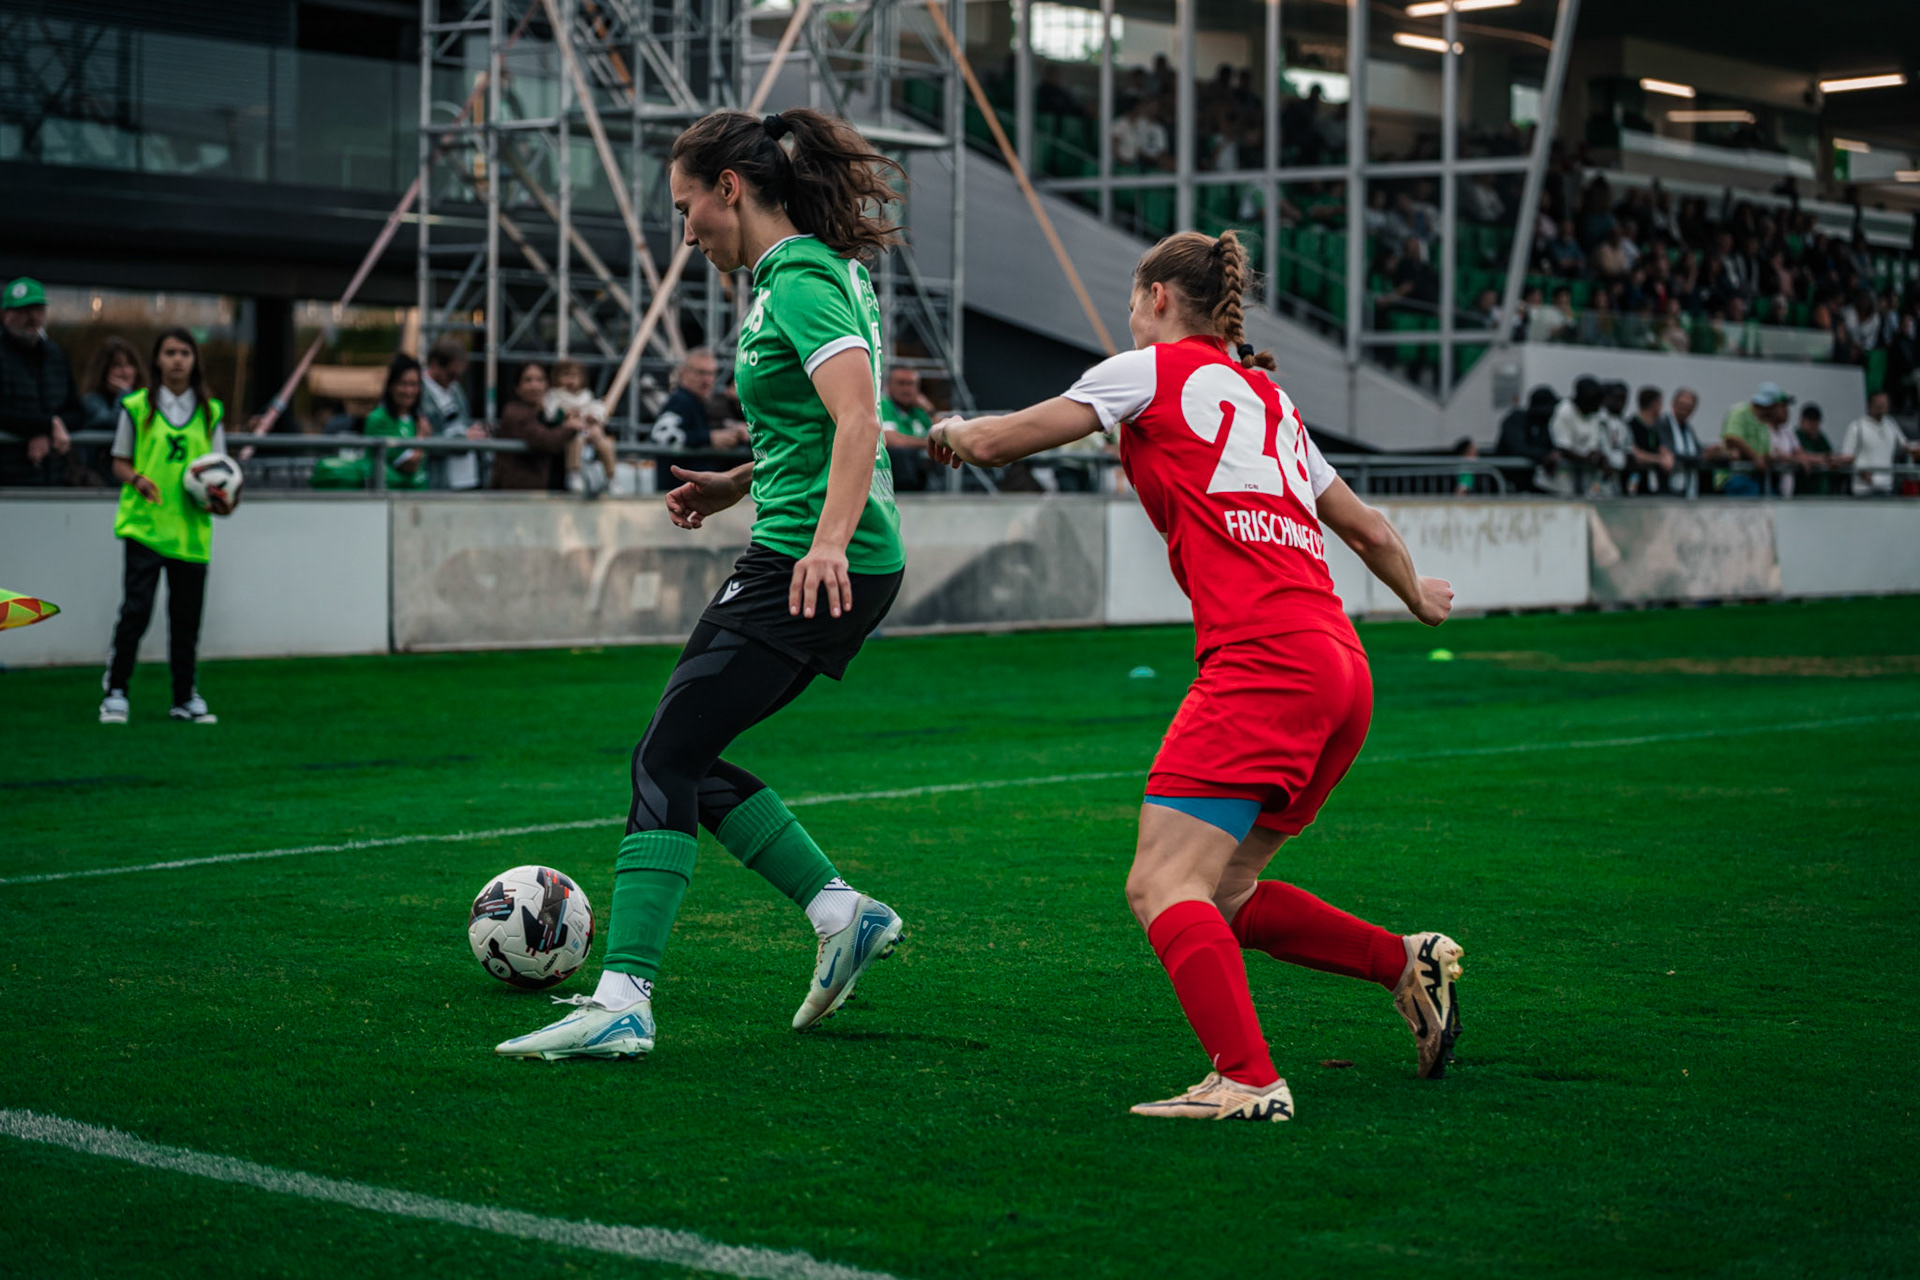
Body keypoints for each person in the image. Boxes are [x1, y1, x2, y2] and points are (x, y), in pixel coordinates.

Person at [925, 229, 1462, 1122]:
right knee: (1225, 892)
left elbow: (1003, 441)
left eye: (1134, 301)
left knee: (1160, 886)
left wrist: (952, 431)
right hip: (1339, 668)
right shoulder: (1271, 400)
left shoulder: (1147, 369)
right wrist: (1420, 599)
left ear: (1159, 298)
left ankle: (1248, 1080)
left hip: (1265, 663)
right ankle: (1404, 962)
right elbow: (1366, 529)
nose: (1130, 318)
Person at [498, 107, 910, 1062]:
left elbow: (857, 422)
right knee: (690, 757)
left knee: (661, 759)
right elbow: (813, 429)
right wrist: (737, 480)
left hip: (811, 560)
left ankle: (624, 1001)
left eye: (688, 207)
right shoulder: (809, 273)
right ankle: (840, 910)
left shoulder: (801, 280)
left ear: (732, 187)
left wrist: (826, 543)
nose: (686, 231)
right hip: (814, 546)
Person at [99, 328, 236, 726]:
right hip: (145, 526)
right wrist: (138, 480)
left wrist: (224, 501)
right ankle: (116, 691)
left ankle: (184, 697)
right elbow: (119, 461)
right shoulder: (138, 406)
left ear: (195, 360)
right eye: (170, 352)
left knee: (186, 619)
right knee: (136, 612)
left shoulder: (211, 411)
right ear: (157, 360)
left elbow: (222, 472)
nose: (177, 360)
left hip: (191, 532)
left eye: (185, 353)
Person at [0, 276, 80, 486]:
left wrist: (49, 428)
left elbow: (77, 412)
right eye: (23, 312)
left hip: (54, 477)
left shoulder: (56, 356)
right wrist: (45, 426)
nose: (32, 317)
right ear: (5, 315)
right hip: (7, 479)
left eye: (37, 310)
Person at [650, 348, 750, 475]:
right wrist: (708, 438)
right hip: (677, 487)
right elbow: (661, 436)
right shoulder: (681, 400)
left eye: (712, 373)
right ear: (683, 373)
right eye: (701, 373)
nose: (707, 380)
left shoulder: (699, 402)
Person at [490, 364, 577, 490]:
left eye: (540, 380)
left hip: (545, 493)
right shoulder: (515, 413)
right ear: (517, 387)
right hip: (517, 495)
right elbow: (543, 439)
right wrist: (571, 428)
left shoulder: (548, 413)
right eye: (528, 380)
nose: (534, 386)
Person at [76, 335, 146, 489]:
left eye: (130, 365)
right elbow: (113, 423)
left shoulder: (146, 400)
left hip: (138, 482)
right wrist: (124, 395)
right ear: (103, 370)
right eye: (117, 366)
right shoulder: (91, 401)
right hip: (102, 486)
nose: (125, 372)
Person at [420, 338, 488, 490]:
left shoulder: (455, 389)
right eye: (451, 374)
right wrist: (462, 440)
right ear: (435, 364)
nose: (454, 380)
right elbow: (424, 441)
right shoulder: (419, 392)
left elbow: (463, 422)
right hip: (438, 479)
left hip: (467, 478)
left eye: (459, 376)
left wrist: (476, 431)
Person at [546, 359, 616, 495]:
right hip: (571, 433)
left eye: (575, 375)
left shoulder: (586, 396)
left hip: (588, 431)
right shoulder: (554, 396)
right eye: (565, 375)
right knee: (576, 441)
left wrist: (593, 417)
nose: (571, 380)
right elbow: (551, 414)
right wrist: (565, 416)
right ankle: (573, 473)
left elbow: (597, 410)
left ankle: (611, 477)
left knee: (606, 444)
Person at [1837, 391, 1920, 496]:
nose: (1881, 409)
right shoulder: (1857, 427)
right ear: (1869, 406)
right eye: (1878, 406)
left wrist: (1916, 448)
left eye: (1884, 406)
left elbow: (1906, 446)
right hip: (1863, 490)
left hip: (1886, 487)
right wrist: (1860, 470)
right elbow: (1847, 456)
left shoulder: (1890, 424)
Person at [1718, 382, 1789, 496]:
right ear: (1770, 406)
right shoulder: (1739, 412)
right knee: (1751, 494)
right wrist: (1755, 458)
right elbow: (1732, 437)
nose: (1779, 410)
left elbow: (1765, 452)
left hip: (1756, 477)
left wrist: (1771, 457)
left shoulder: (1764, 422)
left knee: (1774, 497)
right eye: (1777, 406)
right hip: (1734, 476)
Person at [1494, 385, 1563, 493]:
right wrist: (1543, 455)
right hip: (1506, 482)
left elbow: (1550, 447)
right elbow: (1517, 448)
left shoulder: (1542, 426)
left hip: (1530, 482)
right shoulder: (1516, 420)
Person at [1653, 387, 1719, 499]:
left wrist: (1711, 452)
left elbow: (1696, 450)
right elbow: (1671, 452)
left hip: (1688, 487)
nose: (1684, 409)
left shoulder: (1688, 429)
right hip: (1668, 486)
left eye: (1688, 407)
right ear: (1673, 403)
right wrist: (1702, 457)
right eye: (1681, 405)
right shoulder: (1663, 424)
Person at [879, 364, 935, 492]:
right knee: (900, 454)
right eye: (901, 383)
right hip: (892, 480)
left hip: (922, 473)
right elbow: (892, 440)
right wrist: (928, 443)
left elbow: (945, 435)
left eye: (911, 384)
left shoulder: (919, 411)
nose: (906, 389)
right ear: (889, 386)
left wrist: (930, 410)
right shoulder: (883, 404)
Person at [1624, 386, 1674, 496]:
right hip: (1637, 486)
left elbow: (1663, 448)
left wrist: (1667, 456)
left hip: (1657, 487)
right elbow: (1634, 453)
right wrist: (1659, 460)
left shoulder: (1658, 427)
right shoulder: (1631, 426)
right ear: (1655, 404)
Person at [1792, 403, 1840, 496]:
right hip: (1803, 491)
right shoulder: (1796, 436)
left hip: (1822, 490)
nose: (1813, 425)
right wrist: (1825, 459)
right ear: (1801, 421)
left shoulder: (1821, 438)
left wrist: (1831, 460)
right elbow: (1801, 455)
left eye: (1816, 422)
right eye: (1810, 422)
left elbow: (1831, 454)